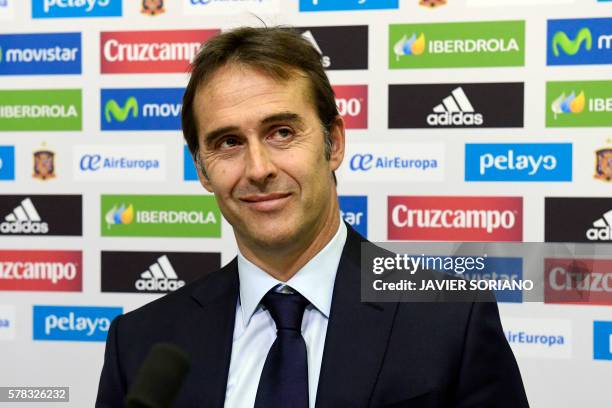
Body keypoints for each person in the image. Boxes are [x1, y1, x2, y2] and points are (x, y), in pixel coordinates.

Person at [96, 26, 529, 408]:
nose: (258, 168)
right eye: (228, 142)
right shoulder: (140, 343)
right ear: (202, 169)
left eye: (281, 132)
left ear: (333, 143)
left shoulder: (449, 317)